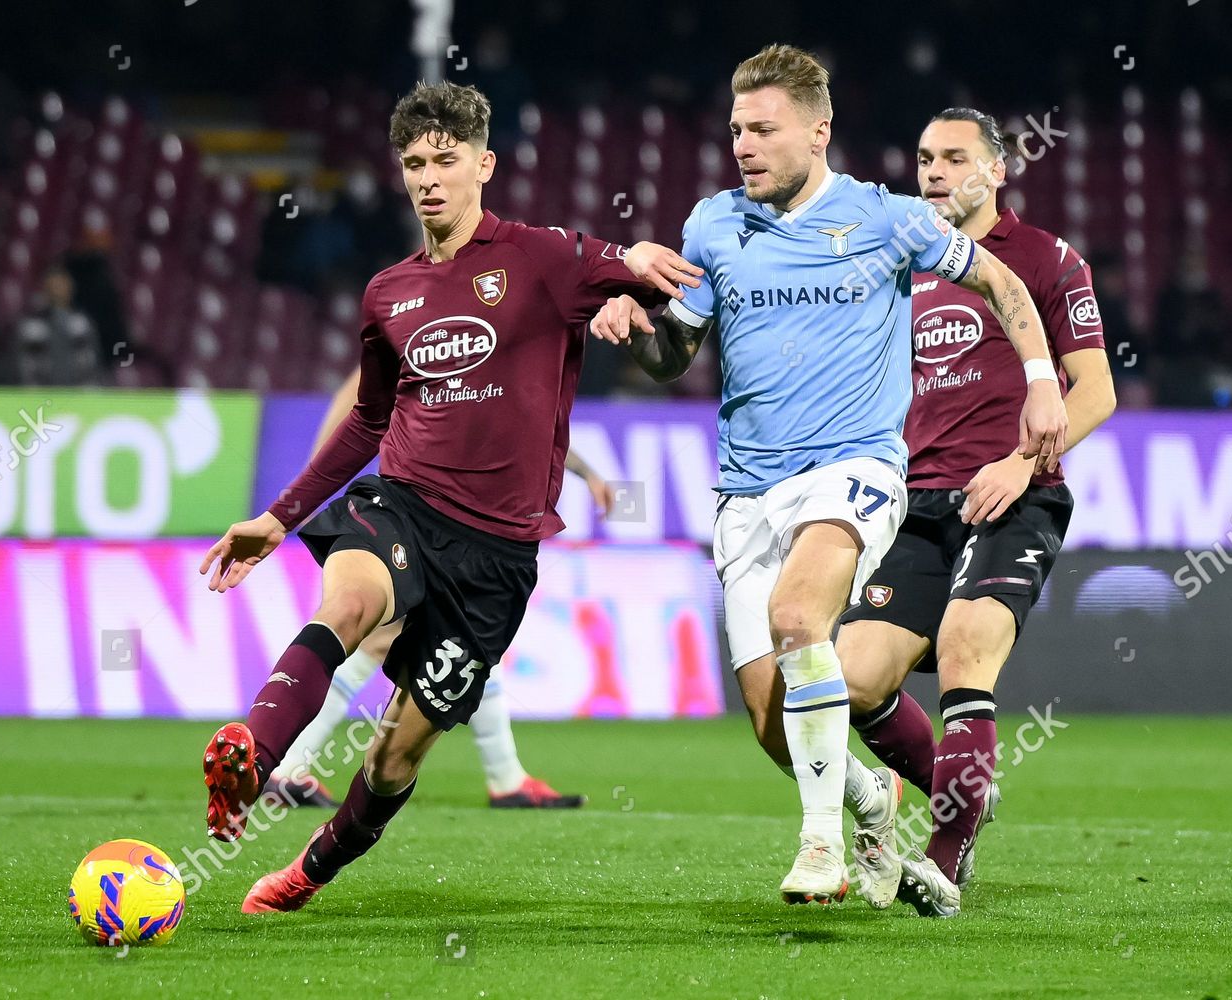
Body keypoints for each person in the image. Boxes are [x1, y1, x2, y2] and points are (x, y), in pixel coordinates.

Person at [196, 80, 692, 914]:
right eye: (414, 163)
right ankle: (252, 750)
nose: (428, 177)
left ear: (484, 165)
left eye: (445, 160)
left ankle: (307, 872)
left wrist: (636, 278)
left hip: (497, 556)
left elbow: (668, 339)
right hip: (404, 503)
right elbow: (366, 423)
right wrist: (278, 519)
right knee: (349, 600)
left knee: (394, 757)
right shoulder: (388, 292)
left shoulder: (545, 258)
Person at [590, 46, 1067, 907]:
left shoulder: (887, 219)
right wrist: (635, 326)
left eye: (763, 129)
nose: (743, 144)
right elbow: (676, 355)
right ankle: (867, 794)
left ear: (818, 132)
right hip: (746, 490)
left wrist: (1039, 382)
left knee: (799, 615)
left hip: (854, 469)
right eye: (736, 129)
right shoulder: (712, 226)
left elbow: (998, 279)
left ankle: (821, 846)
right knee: (778, 723)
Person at [836, 108, 1116, 916]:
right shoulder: (902, 267)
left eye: (954, 157)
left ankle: (947, 863)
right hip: (917, 503)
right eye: (924, 157)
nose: (933, 171)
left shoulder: (1047, 260)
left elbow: (1095, 390)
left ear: (997, 171)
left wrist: (1020, 463)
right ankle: (961, 786)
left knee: (965, 649)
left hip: (1015, 494)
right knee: (851, 680)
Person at [261, 365, 605, 810]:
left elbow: (533, 426)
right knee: (395, 640)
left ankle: (505, 777)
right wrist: (314, 490)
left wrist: (586, 471)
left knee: (464, 643)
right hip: (412, 515)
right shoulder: (423, 339)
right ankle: (289, 768)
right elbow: (358, 406)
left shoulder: (486, 354)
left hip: (464, 524)